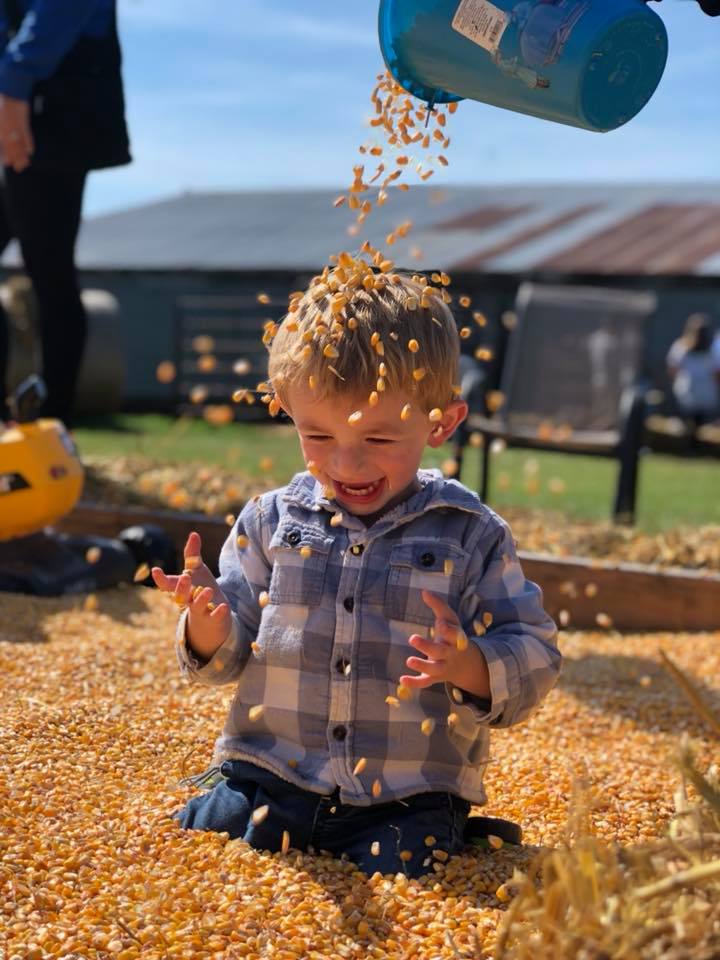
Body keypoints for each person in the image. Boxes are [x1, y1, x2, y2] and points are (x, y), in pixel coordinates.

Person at [152, 267, 561, 879]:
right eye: (316, 434)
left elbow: (534, 651)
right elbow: (229, 653)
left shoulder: (470, 533)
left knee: (415, 869)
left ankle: (462, 835)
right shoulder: (271, 520)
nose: (346, 462)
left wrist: (468, 664)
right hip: (272, 778)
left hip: (403, 796)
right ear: (285, 410)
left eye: (378, 436)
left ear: (441, 422)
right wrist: (207, 628)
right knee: (199, 837)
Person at [0, 0, 131, 423]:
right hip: (27, 100)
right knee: (49, 268)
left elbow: (59, 10)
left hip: (55, 112)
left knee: (49, 269)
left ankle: (48, 424)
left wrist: (14, 81)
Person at [666, 313, 720, 432]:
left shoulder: (681, 346)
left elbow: (673, 369)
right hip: (699, 393)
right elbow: (717, 374)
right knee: (695, 425)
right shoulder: (682, 347)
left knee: (694, 425)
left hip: (692, 392)